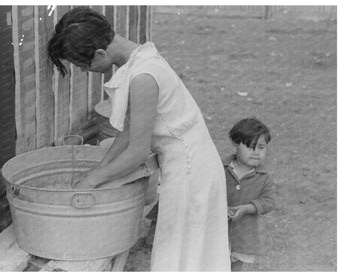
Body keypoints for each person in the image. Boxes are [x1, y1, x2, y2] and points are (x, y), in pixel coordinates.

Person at [47, 6, 230, 271]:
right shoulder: (141, 58)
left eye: (82, 66)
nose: (85, 72)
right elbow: (129, 129)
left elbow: (136, 151)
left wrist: (91, 181)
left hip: (191, 170)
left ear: (100, 53)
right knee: (185, 252)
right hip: (188, 163)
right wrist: (98, 170)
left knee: (183, 255)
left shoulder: (143, 77)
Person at [224, 118, 276, 271]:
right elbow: (208, 192)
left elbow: (269, 201)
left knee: (234, 269)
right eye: (249, 146)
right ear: (235, 144)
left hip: (243, 235)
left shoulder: (264, 176)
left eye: (261, 147)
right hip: (216, 232)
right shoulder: (220, 168)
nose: (256, 152)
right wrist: (221, 207)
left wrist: (248, 208)